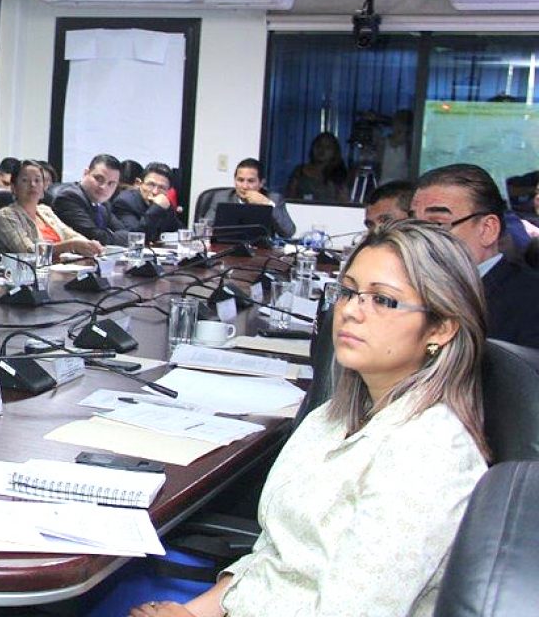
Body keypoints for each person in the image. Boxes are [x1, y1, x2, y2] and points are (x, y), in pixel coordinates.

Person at [132, 221, 489, 617]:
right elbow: (274, 553)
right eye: (348, 292)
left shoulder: (429, 455)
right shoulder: (334, 416)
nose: (351, 311)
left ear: (441, 328)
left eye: (383, 300)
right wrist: (195, 612)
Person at [412, 163, 539, 349]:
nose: (417, 237)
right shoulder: (405, 290)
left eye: (438, 224)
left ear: (487, 230)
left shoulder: (531, 301)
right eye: (411, 225)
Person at [0, 160, 102, 258]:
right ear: (14, 187)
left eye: (37, 180)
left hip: (63, 268)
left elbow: (70, 234)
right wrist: (71, 245)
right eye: (25, 180)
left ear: (43, 188)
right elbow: (29, 252)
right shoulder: (6, 215)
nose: (32, 184)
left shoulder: (45, 211)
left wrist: (90, 245)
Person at [202, 158, 296, 239]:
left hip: (261, 251)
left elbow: (288, 232)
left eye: (251, 181)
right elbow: (204, 229)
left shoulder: (273, 199)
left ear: (261, 183)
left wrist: (267, 203)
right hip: (225, 248)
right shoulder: (222, 197)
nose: (245, 186)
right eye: (240, 180)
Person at [50, 153, 129, 246]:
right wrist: (112, 235)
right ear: (86, 173)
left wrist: (111, 236)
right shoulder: (69, 197)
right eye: (99, 179)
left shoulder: (103, 203)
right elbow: (94, 237)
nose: (103, 187)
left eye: (111, 183)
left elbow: (125, 233)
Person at [112, 161, 182, 242]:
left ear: (168, 191)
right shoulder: (124, 202)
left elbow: (177, 228)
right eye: (151, 185)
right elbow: (135, 237)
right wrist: (156, 208)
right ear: (139, 184)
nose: (155, 192)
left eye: (162, 188)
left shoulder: (164, 202)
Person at [285, 131, 348, 202]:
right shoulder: (300, 171)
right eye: (319, 145)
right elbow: (289, 197)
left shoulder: (339, 174)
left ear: (334, 152)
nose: (322, 150)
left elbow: (343, 201)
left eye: (328, 147)